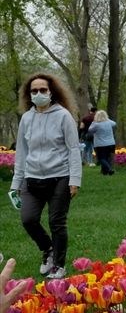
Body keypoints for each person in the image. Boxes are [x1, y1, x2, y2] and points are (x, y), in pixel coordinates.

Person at [10, 73, 82, 280]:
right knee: (28, 219)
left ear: (51, 92)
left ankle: (58, 265)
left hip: (60, 177)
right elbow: (22, 152)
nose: (38, 94)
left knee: (56, 222)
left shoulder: (63, 116)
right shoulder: (26, 118)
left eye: (43, 90)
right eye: (34, 91)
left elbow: (73, 149)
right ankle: (48, 249)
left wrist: (75, 180)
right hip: (32, 178)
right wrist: (16, 183)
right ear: (29, 94)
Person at [89, 110, 118, 175]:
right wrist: (107, 119)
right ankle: (104, 172)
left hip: (100, 144)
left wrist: (93, 122)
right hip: (111, 143)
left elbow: (90, 130)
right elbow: (114, 123)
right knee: (107, 158)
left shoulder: (96, 124)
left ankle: (109, 169)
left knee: (101, 158)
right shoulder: (109, 122)